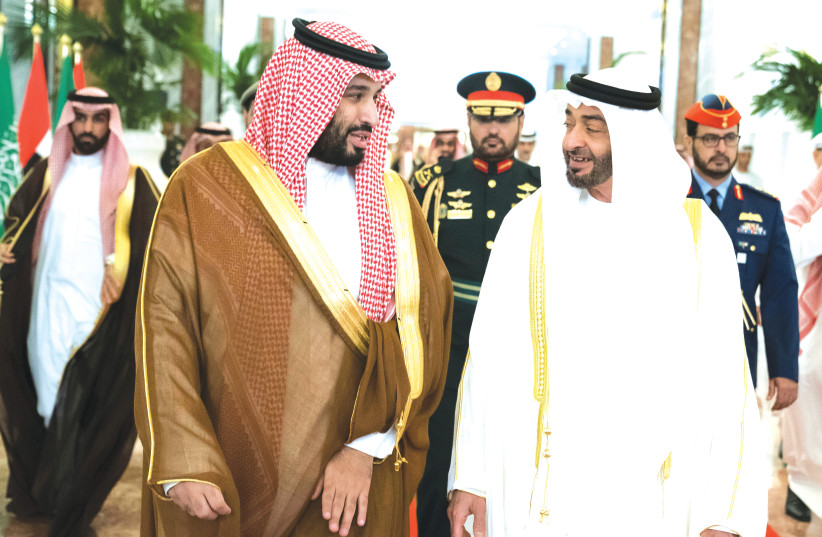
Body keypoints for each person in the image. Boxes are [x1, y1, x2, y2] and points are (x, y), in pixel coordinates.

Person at [134, 19, 452, 537]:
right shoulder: (206, 187)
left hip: (348, 489)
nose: (370, 115)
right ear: (304, 92)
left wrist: (364, 450)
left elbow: (422, 338)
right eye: (353, 95)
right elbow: (164, 327)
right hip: (230, 469)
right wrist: (183, 459)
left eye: (375, 97)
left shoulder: (394, 201)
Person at [448, 69, 766, 537]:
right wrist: (471, 476)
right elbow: (486, 360)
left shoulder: (696, 237)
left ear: (631, 137)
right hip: (543, 494)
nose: (572, 139)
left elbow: (727, 384)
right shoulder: (529, 225)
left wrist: (724, 515)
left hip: (650, 500)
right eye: (569, 122)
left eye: (593, 127)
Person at [0, 87, 160, 537]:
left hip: (99, 319)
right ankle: (44, 493)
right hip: (45, 309)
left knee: (83, 405)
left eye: (98, 119)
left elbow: (157, 246)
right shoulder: (48, 175)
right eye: (81, 119)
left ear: (111, 123)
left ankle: (71, 502)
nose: (89, 128)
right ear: (69, 122)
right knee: (48, 400)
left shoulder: (133, 181)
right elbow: (17, 223)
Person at [411, 71, 540, 537]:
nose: (493, 129)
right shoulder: (433, 182)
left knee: (512, 472)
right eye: (483, 118)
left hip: (519, 354)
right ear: (468, 118)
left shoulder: (544, 188)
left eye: (504, 120)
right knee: (435, 471)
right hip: (446, 355)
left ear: (520, 120)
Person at [684, 94, 799, 409]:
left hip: (737, 357)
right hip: (675, 354)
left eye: (729, 138)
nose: (721, 148)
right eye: (710, 138)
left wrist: (784, 368)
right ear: (689, 139)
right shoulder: (669, 200)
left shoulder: (764, 209)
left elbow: (780, 292)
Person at [781, 164, 822, 528]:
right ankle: (801, 482)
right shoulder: (812, 190)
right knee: (807, 383)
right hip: (816, 319)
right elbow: (789, 246)